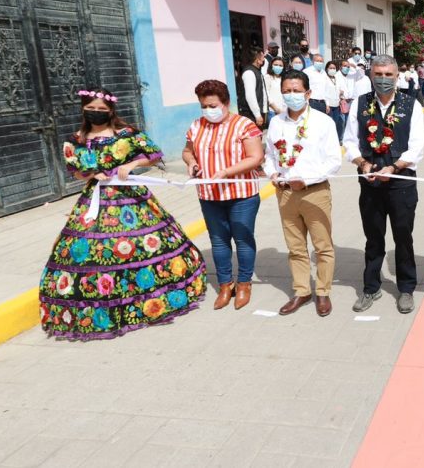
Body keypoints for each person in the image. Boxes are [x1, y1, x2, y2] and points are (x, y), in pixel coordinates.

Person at [42, 88, 207, 339]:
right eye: (91, 108)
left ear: (111, 111)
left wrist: (130, 165)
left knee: (144, 245)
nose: (96, 113)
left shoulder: (125, 134)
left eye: (101, 109)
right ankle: (101, 306)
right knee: (90, 251)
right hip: (97, 198)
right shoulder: (76, 140)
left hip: (130, 196)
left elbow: (153, 154)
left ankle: (145, 302)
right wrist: (90, 174)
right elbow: (75, 171)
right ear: (83, 109)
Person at [343, 55, 424, 314]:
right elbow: (349, 141)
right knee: (373, 238)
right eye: (378, 74)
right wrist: (362, 163)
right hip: (369, 183)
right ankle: (371, 288)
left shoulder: (411, 104)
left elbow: (417, 146)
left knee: (403, 237)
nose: (383, 79)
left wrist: (394, 167)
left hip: (400, 183)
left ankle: (406, 289)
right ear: (370, 75)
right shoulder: (360, 103)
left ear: (397, 76)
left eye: (388, 74)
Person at [264, 69, 342, 318]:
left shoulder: (323, 122)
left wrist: (306, 180)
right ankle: (301, 291)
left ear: (308, 93)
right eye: (287, 91)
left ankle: (322, 291)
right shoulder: (276, 122)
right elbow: (269, 156)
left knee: (322, 246)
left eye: (297, 91)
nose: (291, 95)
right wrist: (272, 173)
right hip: (285, 193)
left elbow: (333, 161)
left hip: (314, 192)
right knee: (295, 247)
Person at [183, 80, 265, 310]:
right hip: (209, 195)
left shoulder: (244, 125)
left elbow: (255, 157)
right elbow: (187, 150)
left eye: (213, 105)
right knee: (218, 241)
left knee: (243, 239)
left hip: (242, 194)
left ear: (226, 102)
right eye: (204, 106)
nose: (209, 110)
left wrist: (226, 172)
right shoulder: (197, 125)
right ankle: (225, 285)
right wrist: (191, 162)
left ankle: (244, 284)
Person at [237, 48, 267, 129]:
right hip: (250, 115)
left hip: (257, 113)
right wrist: (257, 114)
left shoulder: (257, 71)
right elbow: (250, 96)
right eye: (262, 57)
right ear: (258, 60)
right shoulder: (249, 73)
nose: (264, 59)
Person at [321, 60, 346, 137]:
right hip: (329, 106)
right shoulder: (324, 78)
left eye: (334, 68)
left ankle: (336, 140)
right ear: (327, 69)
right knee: (329, 124)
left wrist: (341, 93)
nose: (332, 69)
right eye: (330, 68)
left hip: (337, 105)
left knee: (336, 123)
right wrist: (327, 105)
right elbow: (323, 92)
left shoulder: (337, 78)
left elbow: (340, 89)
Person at [264, 56, 286, 123]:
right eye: (275, 65)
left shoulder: (284, 78)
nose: (278, 67)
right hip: (272, 111)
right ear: (271, 66)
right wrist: (276, 109)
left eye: (280, 65)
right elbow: (266, 94)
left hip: (284, 110)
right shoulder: (268, 77)